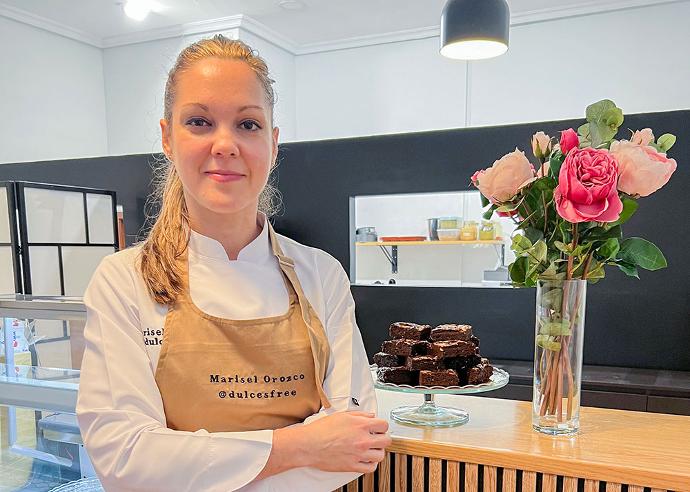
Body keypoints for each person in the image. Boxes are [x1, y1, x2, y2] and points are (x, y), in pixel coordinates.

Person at [76, 35, 390, 492]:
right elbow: (126, 459)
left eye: (248, 125)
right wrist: (298, 447)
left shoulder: (321, 275)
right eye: (200, 122)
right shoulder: (124, 281)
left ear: (274, 143)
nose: (225, 144)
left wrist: (189, 459)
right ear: (167, 137)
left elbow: (355, 446)